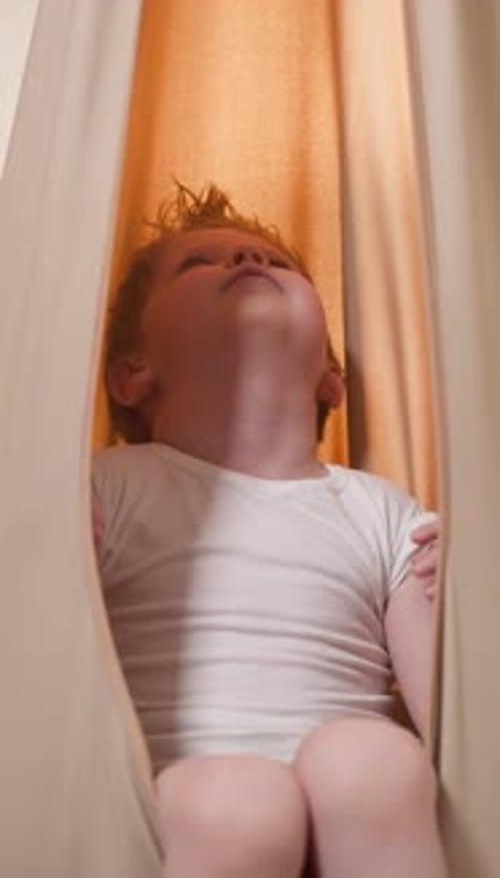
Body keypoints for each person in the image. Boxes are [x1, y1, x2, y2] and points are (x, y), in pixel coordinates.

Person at [92, 183, 447, 878]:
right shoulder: (109, 485)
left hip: (367, 823)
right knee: (244, 801)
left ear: (332, 382)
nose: (250, 257)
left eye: (279, 264)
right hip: (172, 823)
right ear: (132, 376)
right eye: (200, 263)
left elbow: (459, 723)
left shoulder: (384, 512)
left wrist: (470, 593)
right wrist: (42, 543)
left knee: (369, 759)